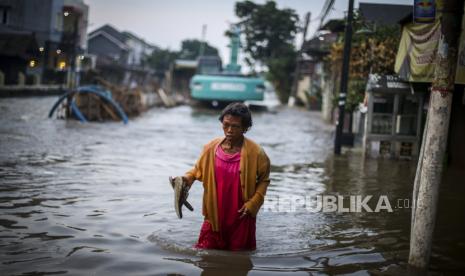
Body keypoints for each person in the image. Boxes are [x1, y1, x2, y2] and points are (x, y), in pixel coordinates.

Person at [179, 102, 271, 251]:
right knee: (205, 254)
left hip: (242, 216)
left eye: (235, 126)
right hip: (214, 214)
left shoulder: (256, 153)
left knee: (239, 260)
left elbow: (264, 180)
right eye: (226, 124)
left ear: (245, 128)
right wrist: (186, 179)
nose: (229, 130)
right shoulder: (210, 148)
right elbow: (197, 170)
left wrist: (254, 203)